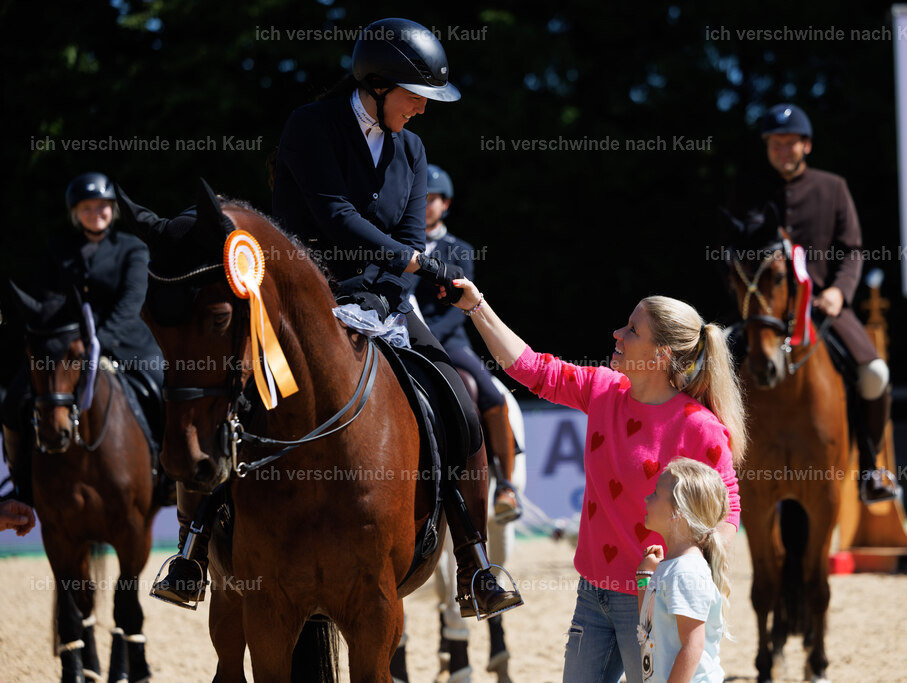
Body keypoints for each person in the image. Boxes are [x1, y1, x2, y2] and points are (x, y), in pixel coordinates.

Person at [154, 18, 523, 619]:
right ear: (378, 86)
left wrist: (392, 287)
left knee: (458, 397)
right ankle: (194, 547)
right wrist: (402, 262)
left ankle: (476, 560)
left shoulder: (411, 146)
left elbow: (409, 232)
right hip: (305, 304)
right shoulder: (311, 126)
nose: (424, 111)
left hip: (384, 301)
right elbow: (333, 216)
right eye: (417, 96)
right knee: (238, 396)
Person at [444, 277, 745, 682]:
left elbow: (728, 512)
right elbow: (531, 368)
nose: (617, 334)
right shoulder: (603, 389)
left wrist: (685, 567)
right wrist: (476, 306)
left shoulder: (699, 427)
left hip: (653, 599)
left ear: (660, 355)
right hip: (592, 592)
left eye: (632, 330)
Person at [733, 103, 898, 503]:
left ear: (806, 145)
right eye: (775, 144)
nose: (783, 151)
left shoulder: (833, 187)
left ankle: (870, 469)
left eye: (790, 143)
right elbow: (733, 255)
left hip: (823, 308)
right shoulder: (748, 192)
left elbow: (852, 249)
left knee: (874, 373)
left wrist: (839, 291)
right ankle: (718, 474)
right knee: (710, 373)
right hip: (764, 313)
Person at [1, 172, 165, 504]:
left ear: (112, 210)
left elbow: (131, 303)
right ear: (76, 212)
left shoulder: (132, 248)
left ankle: (168, 476)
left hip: (124, 343)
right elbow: (47, 299)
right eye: (87, 207)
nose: (96, 213)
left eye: (102, 206)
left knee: (161, 388)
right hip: (67, 348)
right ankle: (20, 481)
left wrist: (97, 344)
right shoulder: (59, 248)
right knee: (14, 399)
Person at [414, 163, 522, 522]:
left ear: (446, 204)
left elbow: (459, 307)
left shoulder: (460, 250)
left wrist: (429, 335)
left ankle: (506, 485)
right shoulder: (403, 245)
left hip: (450, 339)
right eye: (422, 198)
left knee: (490, 394)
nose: (427, 204)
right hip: (405, 335)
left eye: (434, 199)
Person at [636, 458, 730, 683]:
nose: (647, 498)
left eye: (656, 494)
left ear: (678, 512)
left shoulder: (686, 572)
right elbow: (647, 626)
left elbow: (692, 645)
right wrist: (644, 577)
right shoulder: (673, 566)